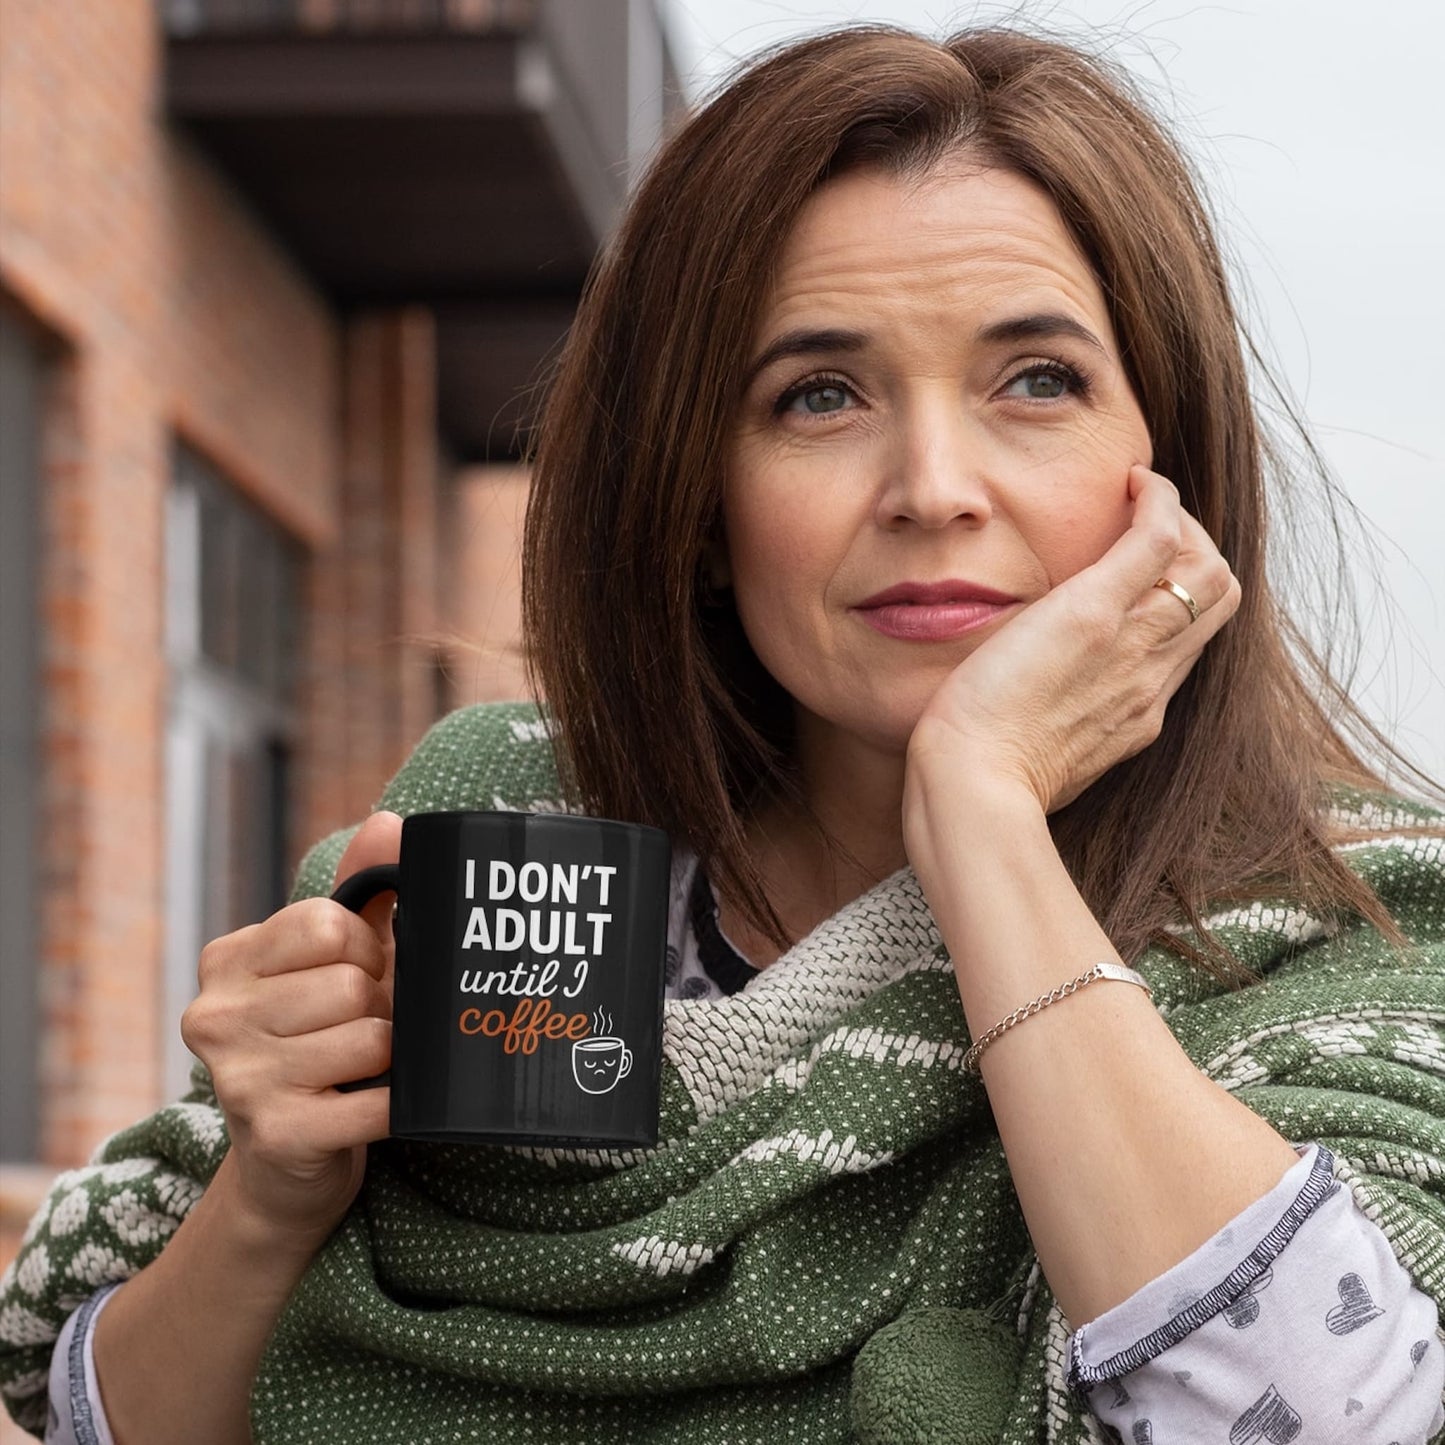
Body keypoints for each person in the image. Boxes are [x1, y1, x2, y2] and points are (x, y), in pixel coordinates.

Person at [2, 22, 1443, 1445]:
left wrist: (982, 812)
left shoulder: (1344, 934)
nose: (932, 486)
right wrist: (272, 1191)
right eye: (818, 394)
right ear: (698, 507)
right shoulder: (496, 846)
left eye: (1035, 381)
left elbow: (1333, 1417)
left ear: (1167, 470)